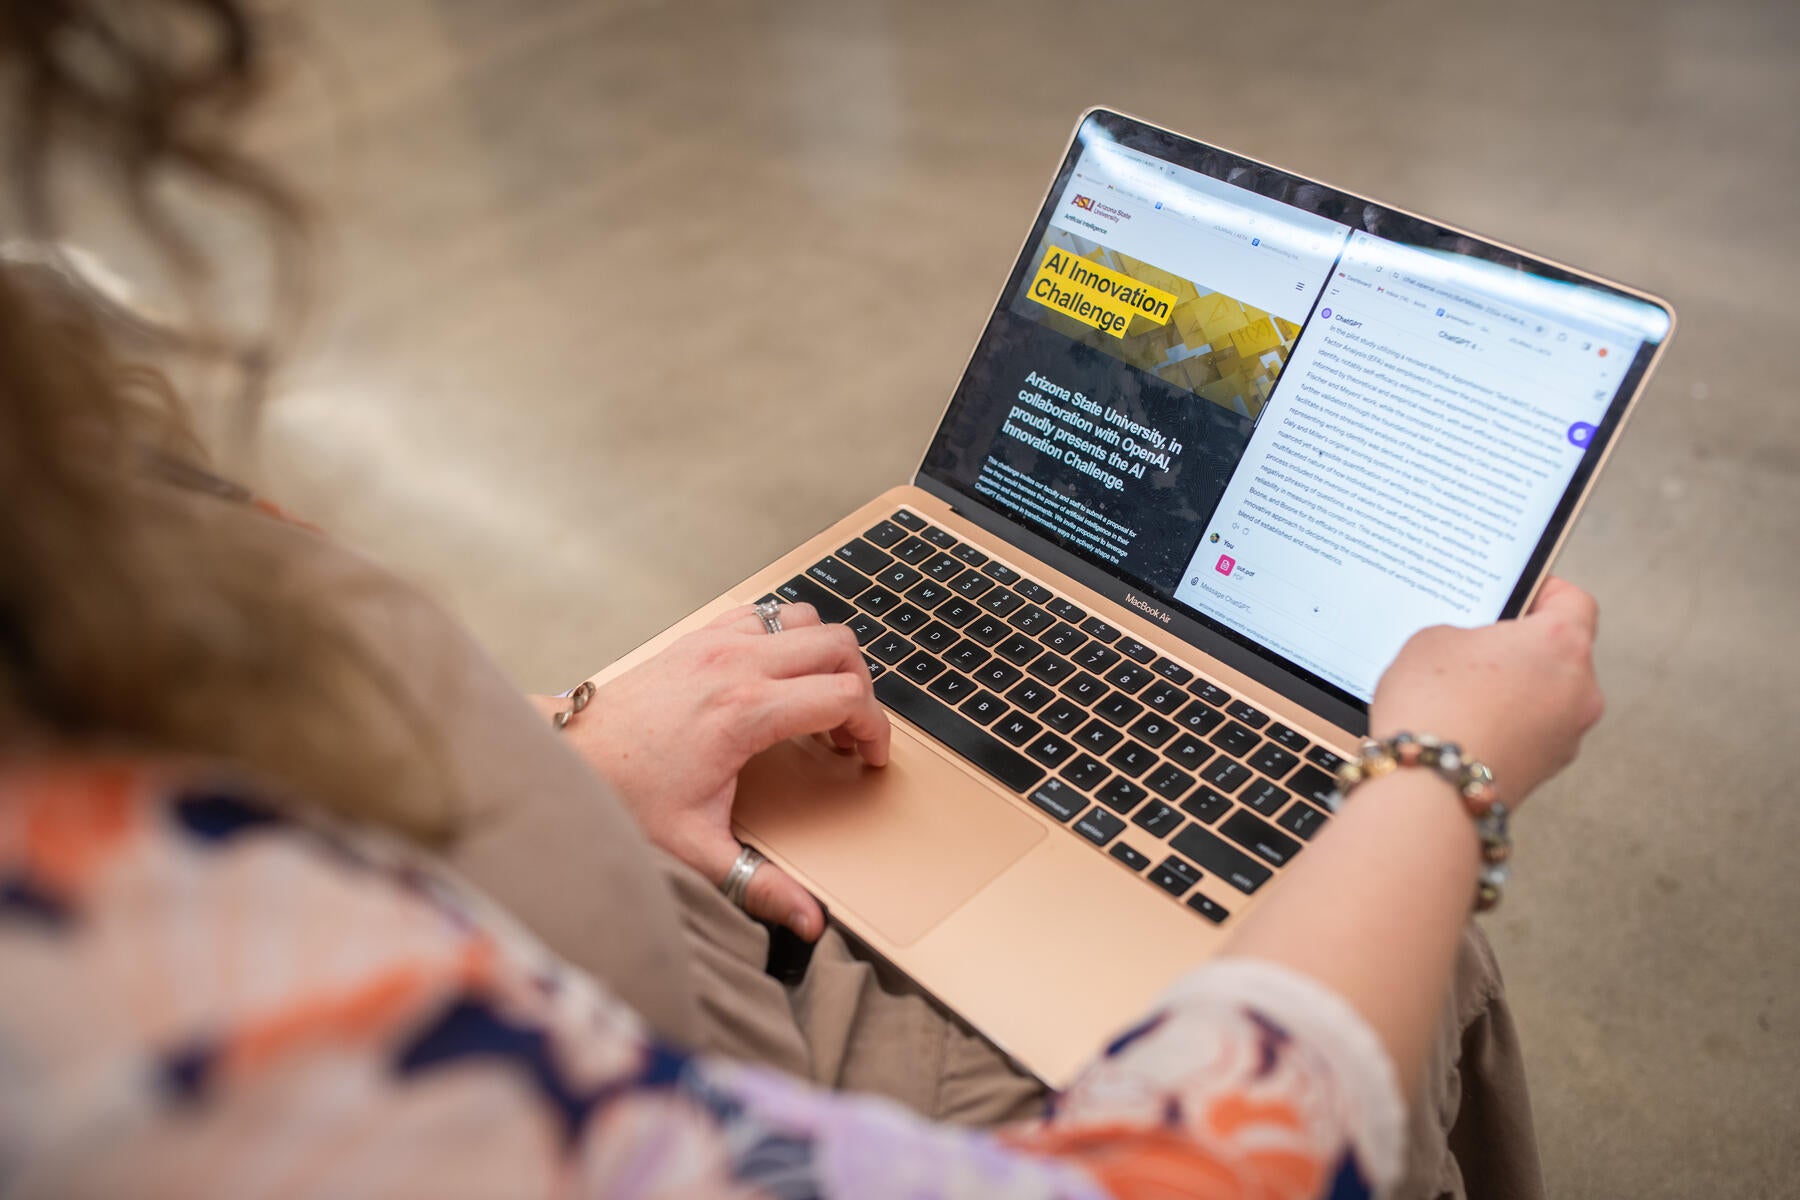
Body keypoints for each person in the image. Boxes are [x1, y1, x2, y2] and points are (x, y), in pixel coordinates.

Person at [0, 3, 1598, 1196]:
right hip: (681, 1056)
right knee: (1397, 917)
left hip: (611, 864)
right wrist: (1438, 776)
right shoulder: (130, 1030)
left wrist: (575, 776)